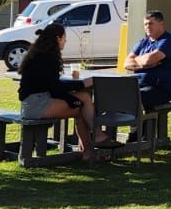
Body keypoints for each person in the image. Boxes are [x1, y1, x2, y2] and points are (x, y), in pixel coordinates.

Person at [17, 22, 105, 162]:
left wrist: (74, 94)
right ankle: (93, 144)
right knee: (82, 107)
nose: (66, 40)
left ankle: (89, 148)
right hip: (37, 104)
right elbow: (55, 88)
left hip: (31, 103)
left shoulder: (38, 54)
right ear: (58, 38)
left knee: (84, 98)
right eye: (64, 37)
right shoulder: (48, 58)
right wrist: (82, 84)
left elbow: (52, 85)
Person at [125, 9, 171, 111]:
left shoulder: (168, 41)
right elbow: (126, 63)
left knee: (134, 96)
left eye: (151, 23)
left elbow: (148, 59)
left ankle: (138, 125)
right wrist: (144, 65)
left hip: (160, 89)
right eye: (145, 24)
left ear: (161, 24)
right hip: (138, 86)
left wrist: (138, 60)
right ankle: (111, 124)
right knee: (115, 94)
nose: (147, 27)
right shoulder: (143, 42)